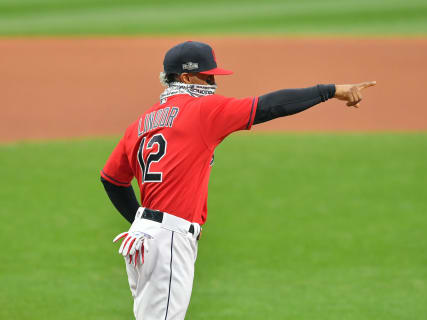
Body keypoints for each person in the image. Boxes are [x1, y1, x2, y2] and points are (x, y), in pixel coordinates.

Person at [100, 40, 376, 320]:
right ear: (185, 77)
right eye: (208, 76)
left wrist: (142, 222)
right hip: (168, 239)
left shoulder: (141, 123)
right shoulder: (201, 111)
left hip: (143, 238)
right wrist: (329, 91)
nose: (213, 82)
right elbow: (270, 107)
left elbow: (112, 179)